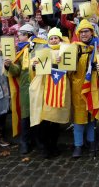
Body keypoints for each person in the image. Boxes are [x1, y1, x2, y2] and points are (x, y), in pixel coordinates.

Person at [29, 27, 71, 159]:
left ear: (60, 39)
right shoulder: (43, 51)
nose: (53, 40)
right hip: (44, 87)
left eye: (56, 38)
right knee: (45, 120)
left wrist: (61, 62)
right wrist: (34, 65)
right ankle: (44, 147)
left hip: (59, 87)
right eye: (51, 38)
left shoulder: (66, 51)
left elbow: (70, 67)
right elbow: (33, 65)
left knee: (55, 119)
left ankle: (54, 145)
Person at [70, 19, 99, 158]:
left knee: (91, 115)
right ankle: (78, 145)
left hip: (93, 86)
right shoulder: (73, 47)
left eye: (86, 31)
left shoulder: (98, 46)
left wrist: (98, 67)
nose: (83, 34)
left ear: (91, 32)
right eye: (81, 32)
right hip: (78, 87)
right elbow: (69, 69)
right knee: (78, 117)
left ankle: (91, 141)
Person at [5, 24, 38, 155]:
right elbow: (16, 71)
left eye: (20, 35)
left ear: (28, 35)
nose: (18, 37)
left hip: (38, 86)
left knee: (37, 114)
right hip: (25, 87)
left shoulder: (39, 47)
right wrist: (8, 66)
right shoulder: (18, 51)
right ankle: (25, 141)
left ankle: (38, 140)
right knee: (26, 115)